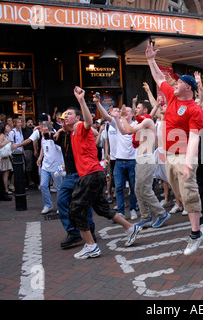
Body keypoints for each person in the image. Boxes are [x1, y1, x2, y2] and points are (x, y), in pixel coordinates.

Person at [145, 41, 203, 255]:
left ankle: (195, 234)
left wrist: (188, 162)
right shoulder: (172, 96)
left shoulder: (195, 110)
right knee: (180, 193)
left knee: (189, 191)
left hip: (184, 155)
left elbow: (194, 138)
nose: (175, 82)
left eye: (180, 81)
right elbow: (159, 78)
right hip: (171, 155)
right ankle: (202, 221)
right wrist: (150, 60)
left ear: (188, 87)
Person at [65, 87, 141, 260]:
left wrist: (81, 100)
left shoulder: (80, 126)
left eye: (69, 114)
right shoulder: (72, 132)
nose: (65, 117)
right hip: (93, 175)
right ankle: (131, 227)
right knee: (101, 208)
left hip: (91, 175)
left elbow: (88, 121)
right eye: (64, 115)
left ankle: (91, 246)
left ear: (77, 117)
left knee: (76, 210)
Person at [54, 113, 96, 248]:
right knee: (61, 201)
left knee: (84, 204)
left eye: (65, 119)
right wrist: (60, 130)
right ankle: (73, 232)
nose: (63, 122)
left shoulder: (79, 131)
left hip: (81, 174)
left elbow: (94, 132)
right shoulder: (61, 135)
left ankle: (90, 229)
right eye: (61, 121)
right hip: (69, 175)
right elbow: (48, 135)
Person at [0, 122, 13, 195]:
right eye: (7, 127)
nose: (8, 128)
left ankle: (4, 188)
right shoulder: (2, 135)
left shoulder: (6, 135)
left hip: (6, 156)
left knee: (6, 174)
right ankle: (5, 189)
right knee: (5, 174)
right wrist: (7, 141)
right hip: (3, 157)